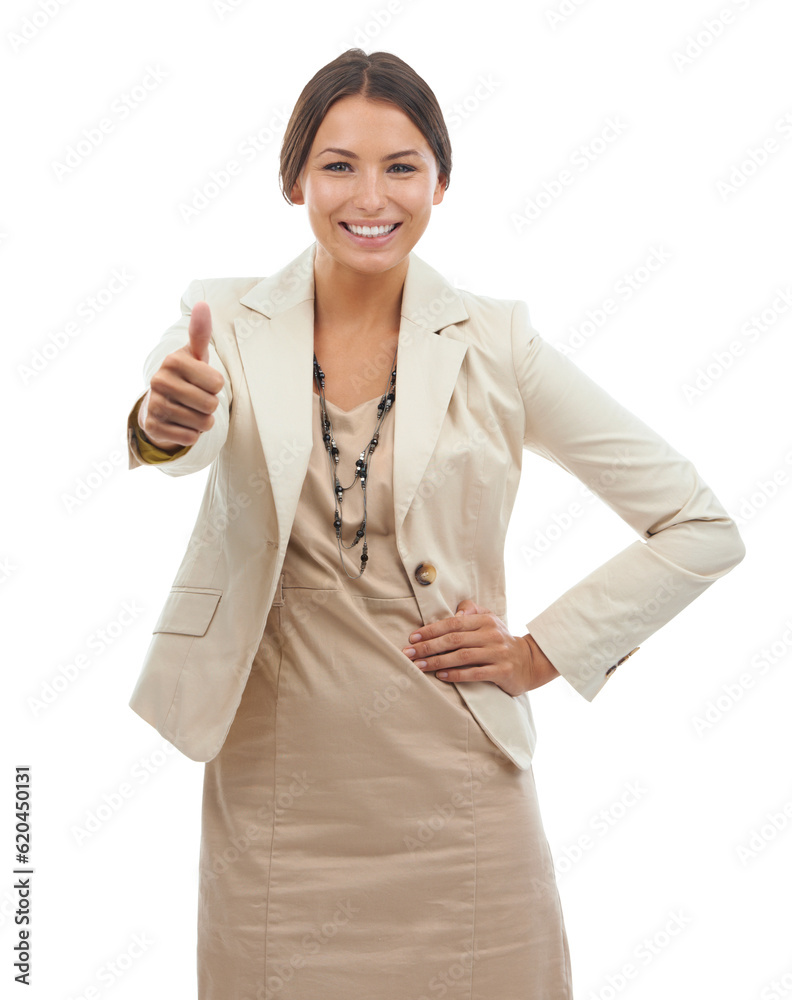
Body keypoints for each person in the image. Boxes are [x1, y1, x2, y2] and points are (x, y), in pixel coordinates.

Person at [124, 48, 746, 999]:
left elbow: (697, 523)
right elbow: (185, 420)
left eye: (401, 165)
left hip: (459, 803)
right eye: (338, 165)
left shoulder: (500, 342)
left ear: (441, 182)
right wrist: (167, 419)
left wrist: (542, 652)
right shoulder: (222, 320)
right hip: (278, 801)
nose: (369, 194)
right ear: (295, 179)